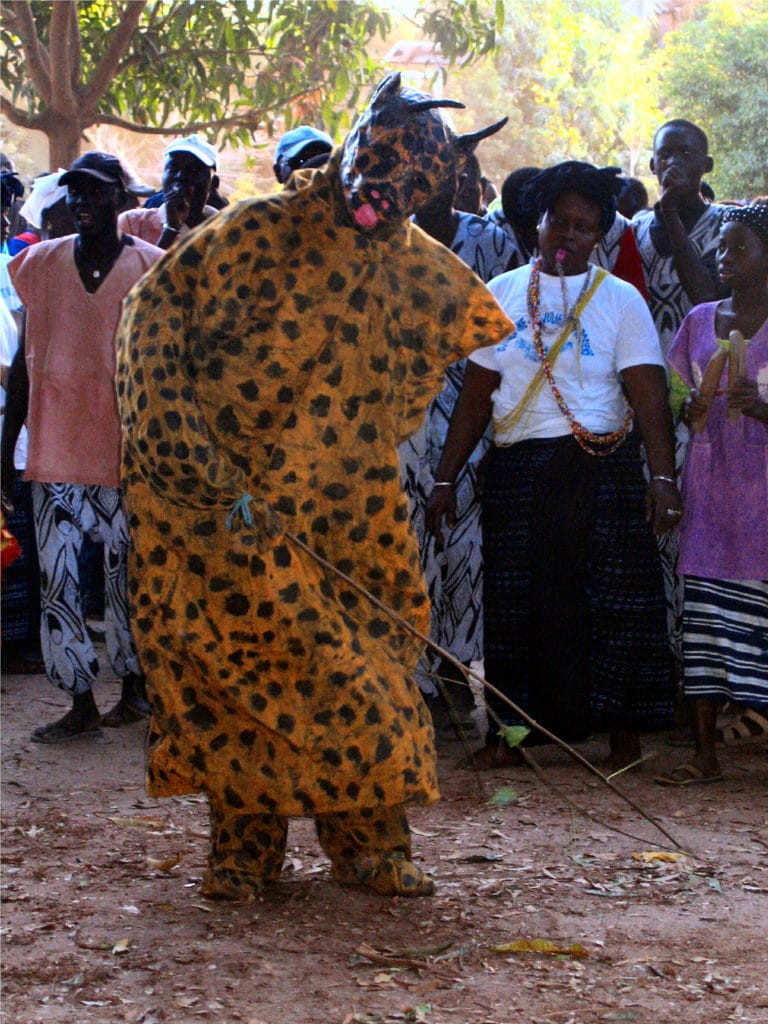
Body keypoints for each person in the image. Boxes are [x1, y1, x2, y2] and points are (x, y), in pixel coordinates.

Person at [115, 73, 512, 901]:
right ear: (351, 143)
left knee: (364, 675)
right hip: (230, 517)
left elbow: (436, 371)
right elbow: (148, 340)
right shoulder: (247, 234)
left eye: (412, 188)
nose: (385, 196)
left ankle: (369, 843)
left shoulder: (417, 268)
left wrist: (337, 449)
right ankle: (244, 852)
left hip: (349, 523)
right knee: (240, 682)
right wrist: (207, 474)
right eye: (378, 168)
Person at [426, 161, 678, 770]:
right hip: (520, 471)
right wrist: (444, 476)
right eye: (558, 222)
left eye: (584, 226)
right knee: (518, 607)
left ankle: (622, 736)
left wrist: (664, 480)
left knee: (613, 603)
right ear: (536, 226)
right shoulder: (505, 293)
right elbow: (477, 395)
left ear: (599, 236)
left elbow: (646, 394)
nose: (568, 235)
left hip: (601, 466)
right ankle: (513, 735)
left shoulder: (621, 299)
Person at [1, 152, 164, 742]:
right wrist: (6, 450)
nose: (83, 201)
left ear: (122, 201)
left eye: (96, 192)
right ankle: (79, 702)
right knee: (60, 583)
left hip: (129, 459)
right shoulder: (39, 265)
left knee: (131, 581)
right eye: (75, 191)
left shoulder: (154, 269)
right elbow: (22, 364)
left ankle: (135, 692)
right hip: (56, 452)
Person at [403, 117, 515, 722]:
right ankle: (416, 685)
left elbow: (509, 330)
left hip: (473, 416)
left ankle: (453, 670)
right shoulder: (387, 239)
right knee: (411, 545)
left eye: (448, 167)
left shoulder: (491, 241)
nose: (437, 178)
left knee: (466, 548)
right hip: (403, 421)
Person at [655, 201, 768, 786]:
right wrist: (690, 406)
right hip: (710, 490)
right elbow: (673, 396)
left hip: (763, 503)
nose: (725, 257)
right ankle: (705, 754)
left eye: (739, 247)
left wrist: (764, 411)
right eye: (720, 247)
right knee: (702, 620)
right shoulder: (700, 321)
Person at [118, 134, 219, 249]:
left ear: (213, 183)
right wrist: (170, 230)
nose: (180, 176)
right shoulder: (133, 223)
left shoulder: (226, 230)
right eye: (172, 168)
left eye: (193, 171)